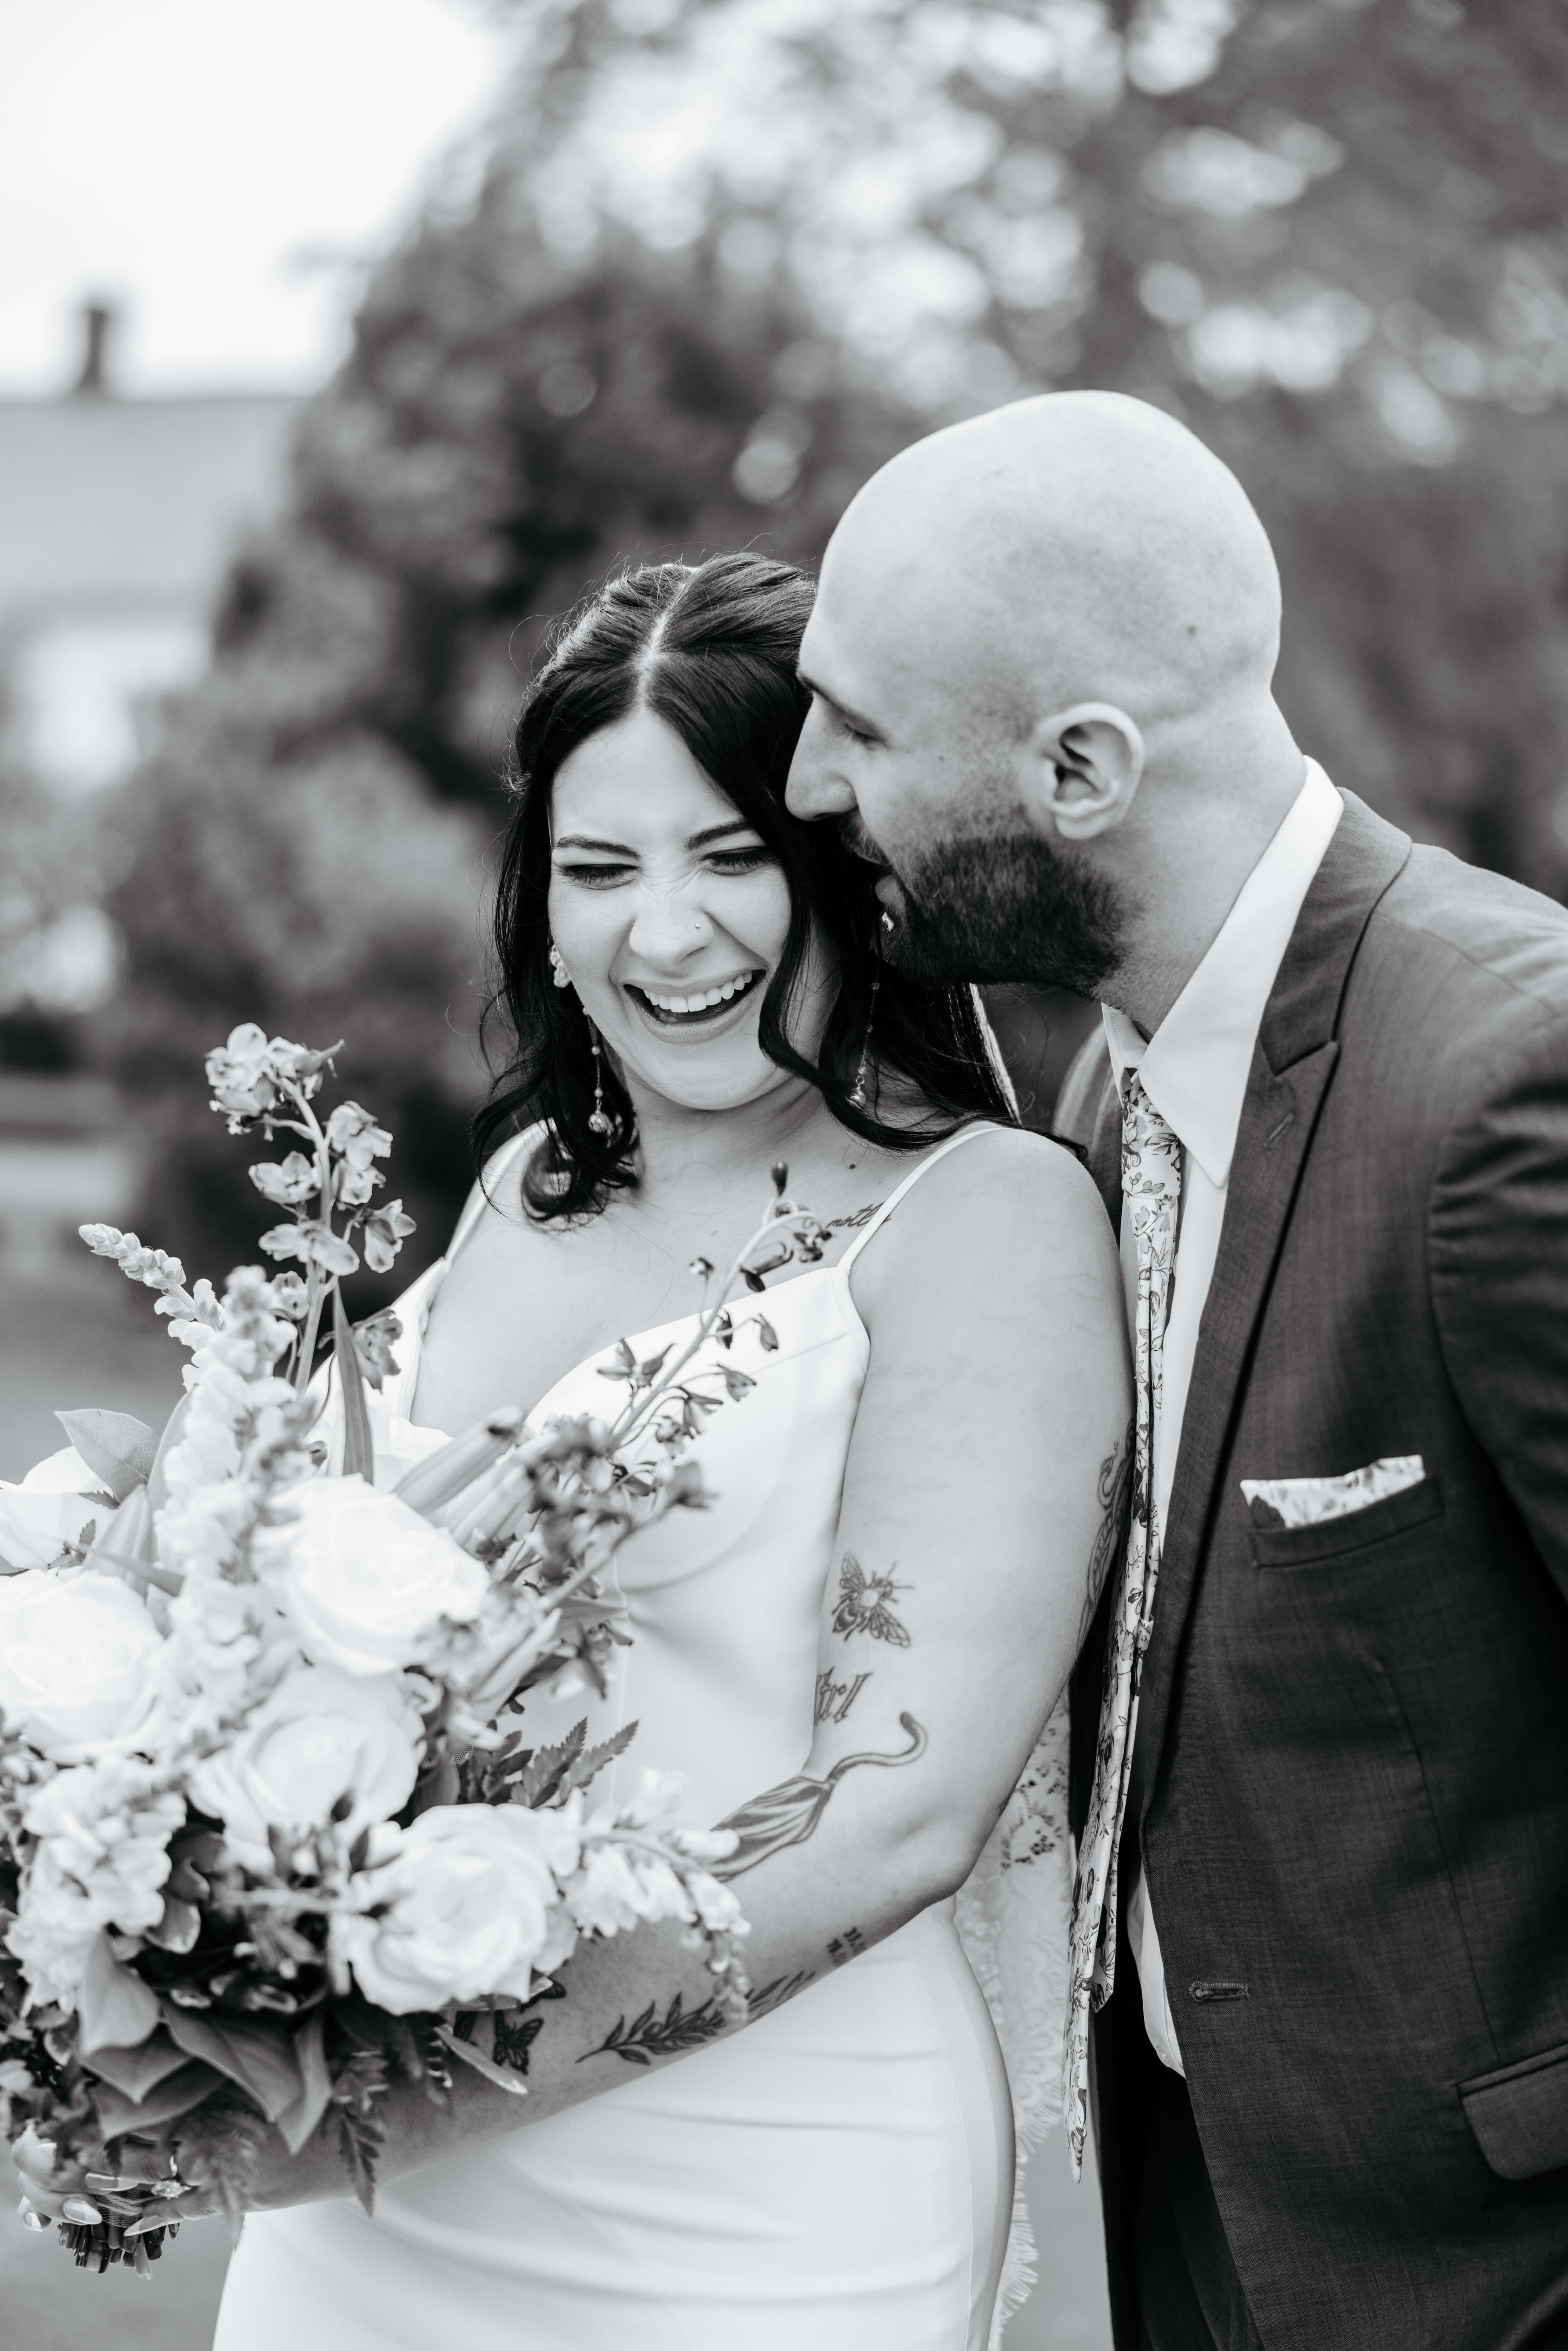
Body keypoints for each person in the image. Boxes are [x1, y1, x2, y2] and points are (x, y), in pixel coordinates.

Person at [156, 552, 1123, 2348]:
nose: (660, 934)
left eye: (731, 858)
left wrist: (416, 2089)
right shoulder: (531, 1183)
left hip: (753, 2196)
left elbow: (895, 1813)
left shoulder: (981, 1225)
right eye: (599, 870)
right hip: (367, 2216)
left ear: (849, 863)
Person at [784, 389, 1568, 2351]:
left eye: (860, 728)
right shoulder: (1099, 1088)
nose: (804, 787)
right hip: (1202, 2220)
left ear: (1078, 769)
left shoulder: (1503, 1085)